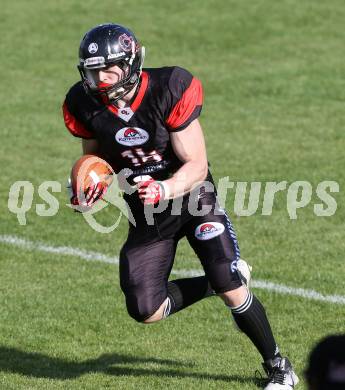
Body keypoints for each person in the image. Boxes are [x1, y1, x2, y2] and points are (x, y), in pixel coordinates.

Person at [63, 23, 299, 389]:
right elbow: (96, 162)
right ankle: (212, 285)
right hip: (147, 210)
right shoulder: (83, 103)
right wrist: (88, 186)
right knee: (145, 309)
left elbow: (197, 166)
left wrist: (165, 187)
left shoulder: (169, 88)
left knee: (229, 281)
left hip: (191, 197)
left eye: (108, 69)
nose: (101, 80)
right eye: (93, 71)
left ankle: (278, 366)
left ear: (131, 63)